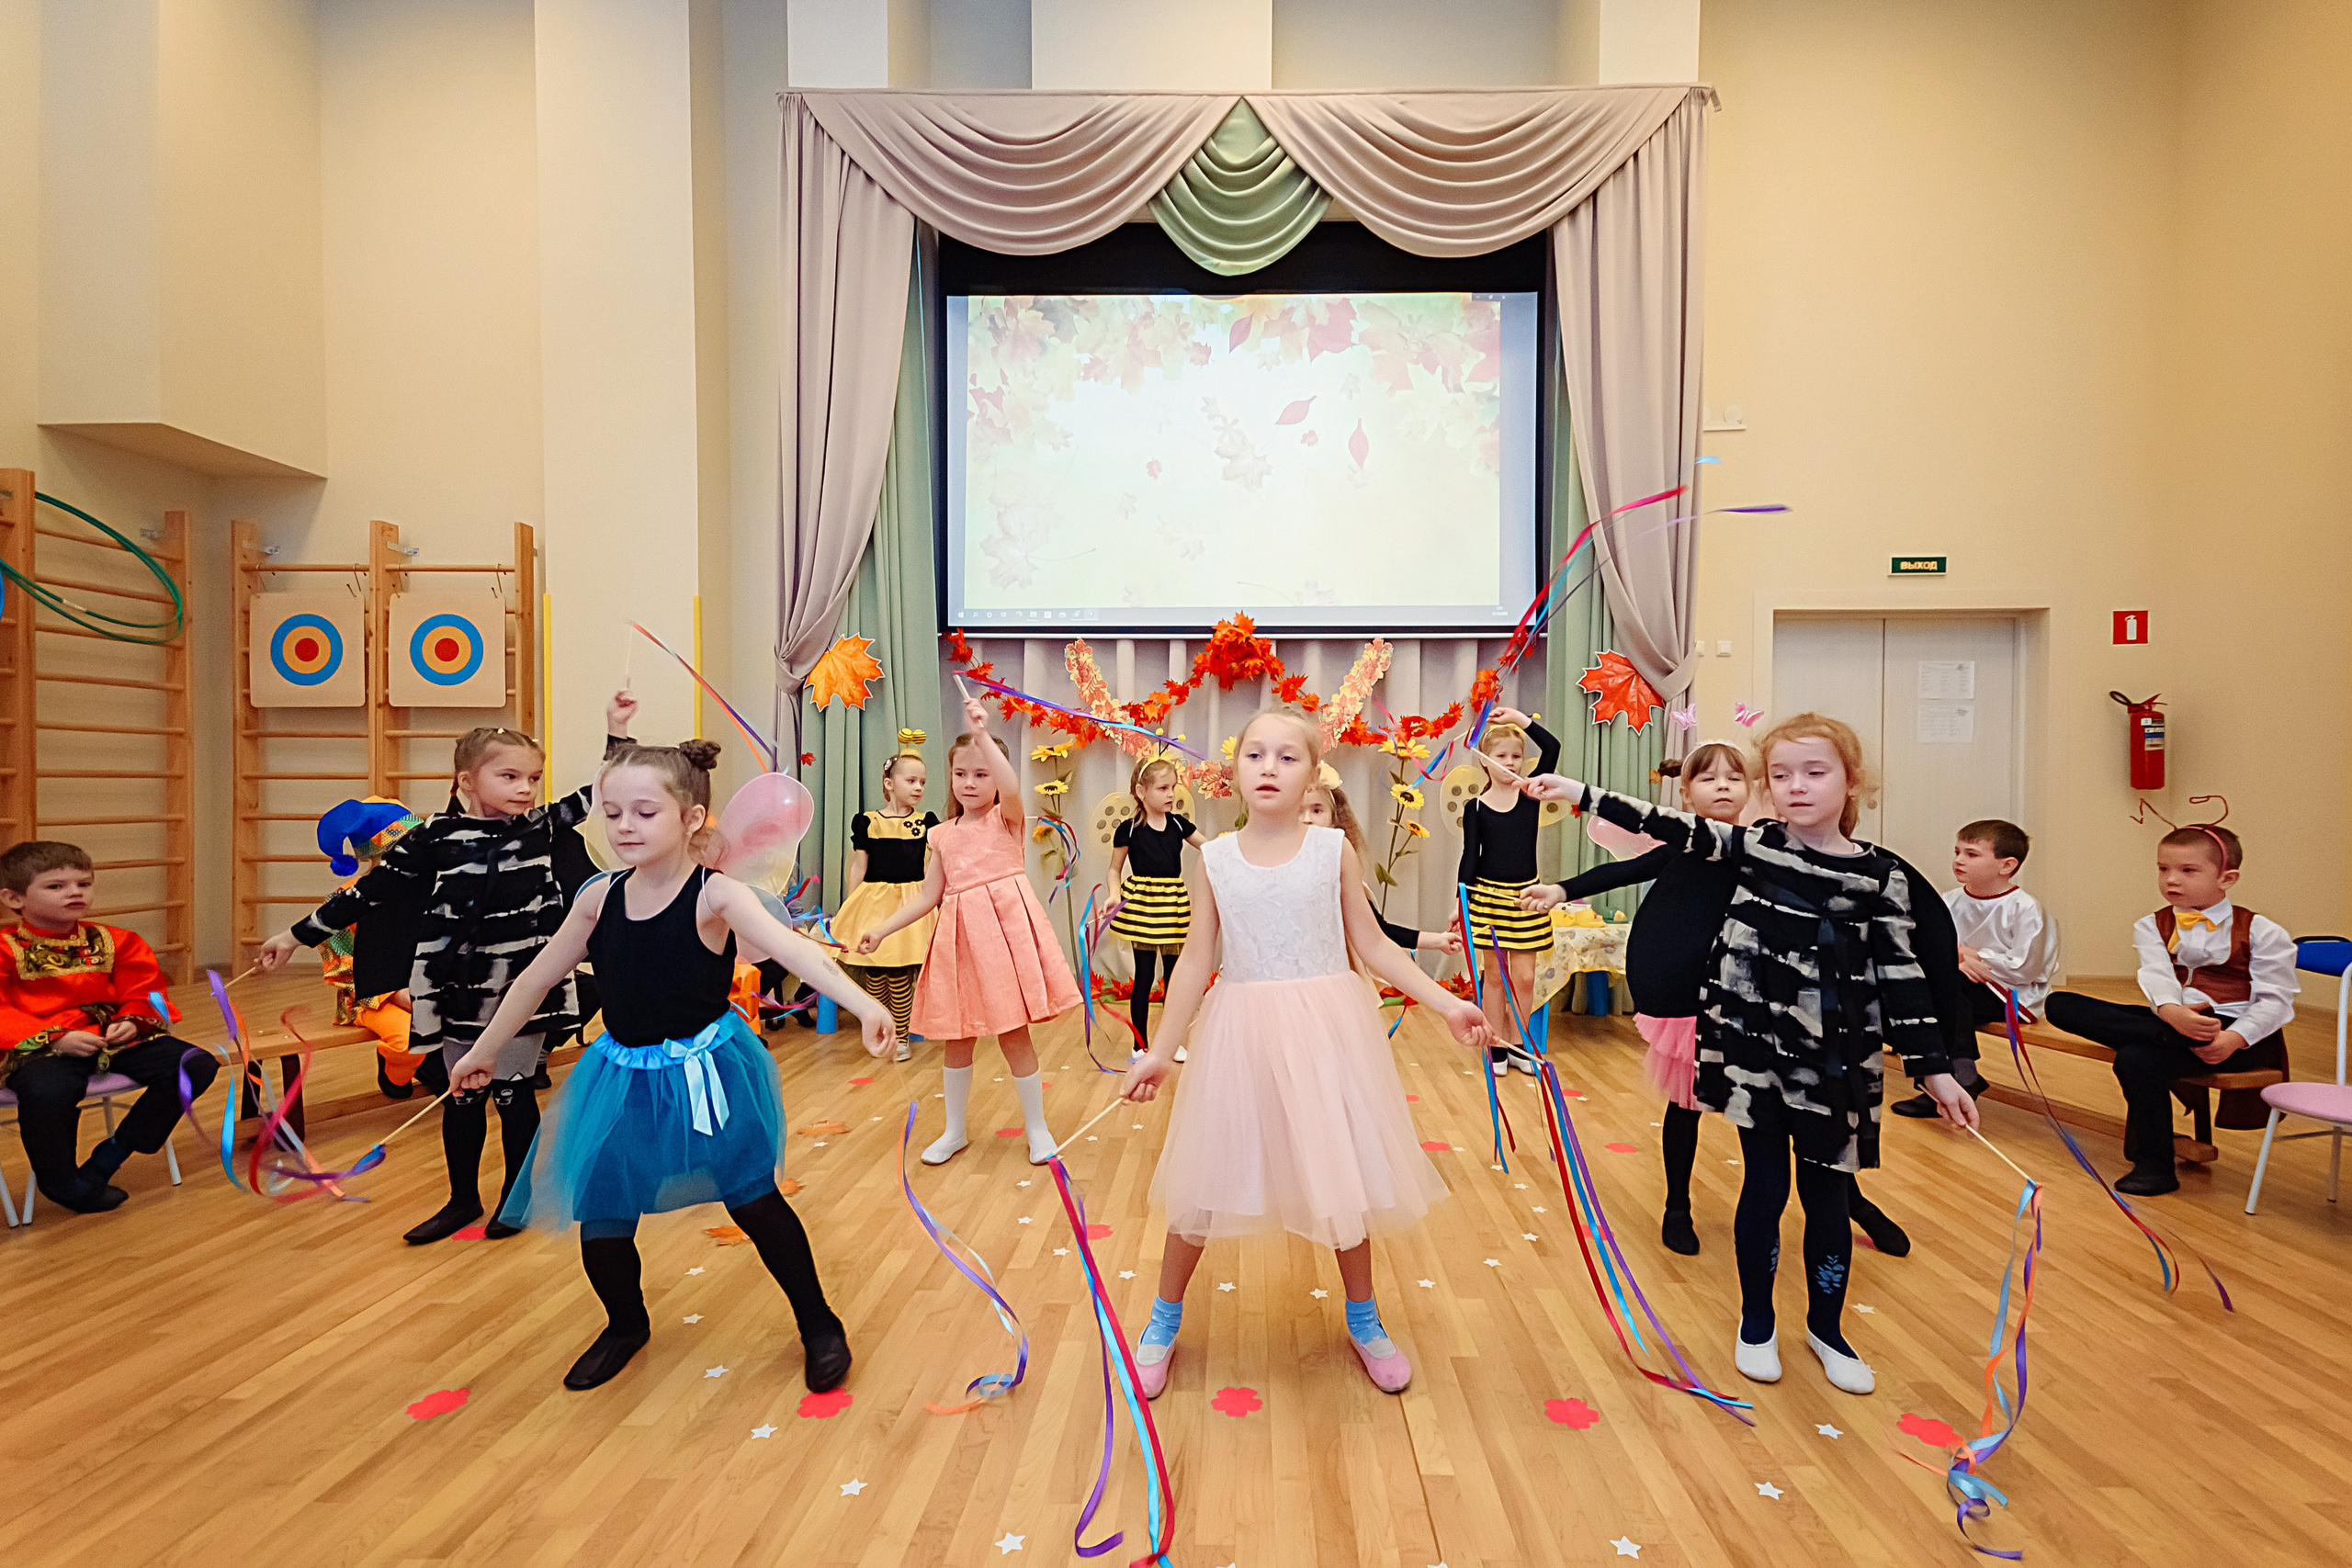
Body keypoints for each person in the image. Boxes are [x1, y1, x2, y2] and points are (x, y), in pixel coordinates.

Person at [1522, 713, 1977, 1397]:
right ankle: (1757, 1320)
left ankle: (1827, 1327)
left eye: (1815, 772)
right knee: (1764, 1188)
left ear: (1853, 782)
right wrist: (1581, 791)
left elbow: (1904, 976)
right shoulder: (1755, 846)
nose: (1795, 787)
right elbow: (1671, 828)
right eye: (1782, 775)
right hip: (1753, 1055)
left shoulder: (1881, 877)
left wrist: (1935, 1067)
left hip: (1838, 1067)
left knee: (1827, 1200)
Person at [454, 739, 893, 1392]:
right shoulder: (598, 897)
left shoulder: (715, 896)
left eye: (644, 812)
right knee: (601, 1214)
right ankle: (625, 1322)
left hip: (706, 1072)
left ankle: (818, 1321)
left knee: (755, 1201)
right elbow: (535, 978)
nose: (624, 826)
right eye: (613, 812)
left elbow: (797, 952)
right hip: (621, 1074)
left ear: (691, 819)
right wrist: (484, 1049)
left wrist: (863, 1003)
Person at [1122, 710, 1496, 1398]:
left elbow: (1374, 945)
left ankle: (1364, 1317)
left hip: (1326, 1032)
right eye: (1255, 753)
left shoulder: (1334, 853)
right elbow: (1194, 960)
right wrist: (1158, 1051)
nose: (1268, 767)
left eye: (1287, 757)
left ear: (1313, 774)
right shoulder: (1215, 860)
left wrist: (1447, 1002)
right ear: (1234, 771)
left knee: (1340, 1173)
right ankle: (1162, 1319)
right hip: (1242, 1031)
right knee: (1203, 1182)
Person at [256, 693, 638, 1244]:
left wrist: (616, 728)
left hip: (522, 987)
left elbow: (603, 792)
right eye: (510, 776)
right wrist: (294, 936)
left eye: (533, 778)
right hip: (455, 987)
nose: (525, 789)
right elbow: (367, 893)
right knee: (463, 1093)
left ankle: (517, 1196)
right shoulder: (432, 836)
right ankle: (462, 1200)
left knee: (511, 1089)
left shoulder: (538, 827)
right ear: (466, 779)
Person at [1521, 745, 1919, 1259]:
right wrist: (1560, 888)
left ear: (1754, 789)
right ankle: (1677, 1205)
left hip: (1754, 1002)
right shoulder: (1684, 846)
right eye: (1708, 779)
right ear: (1685, 793)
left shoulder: (1764, 849)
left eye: (1735, 777)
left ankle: (1854, 1204)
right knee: (1686, 1105)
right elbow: (1622, 873)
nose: (1724, 786)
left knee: (1795, 1120)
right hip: (1687, 993)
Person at [856, 698, 1080, 1166]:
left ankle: (1037, 1128)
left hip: (1004, 944)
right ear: (951, 778)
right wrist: (881, 930)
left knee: (1013, 1036)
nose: (971, 783)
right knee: (957, 1039)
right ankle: (954, 1130)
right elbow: (927, 897)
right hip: (958, 944)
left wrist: (980, 735)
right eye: (962, 774)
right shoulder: (942, 835)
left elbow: (1014, 786)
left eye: (982, 774)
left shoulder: (1008, 820)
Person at [2043, 823, 2295, 1196]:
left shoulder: (2263, 930)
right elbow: (2157, 975)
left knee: (2136, 1059)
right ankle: (2166, 1035)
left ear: (2227, 878)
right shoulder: (2152, 924)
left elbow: (2276, 1000)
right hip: (2171, 1022)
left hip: (2233, 1034)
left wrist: (2232, 1038)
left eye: (2187, 871)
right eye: (2163, 869)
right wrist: (2170, 1013)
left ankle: (2155, 1167)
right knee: (2059, 1003)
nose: (2171, 880)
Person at [0, 841, 218, 1213]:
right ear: (14, 899)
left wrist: (131, 1021)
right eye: (56, 886)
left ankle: (112, 1154)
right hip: (41, 1047)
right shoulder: (5, 947)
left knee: (195, 1063)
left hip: (110, 1040)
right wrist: (57, 1038)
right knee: (49, 1090)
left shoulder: (118, 941)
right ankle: (63, 1182)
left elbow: (146, 992)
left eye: (83, 884)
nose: (74, 892)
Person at [1890, 818, 2057, 1118]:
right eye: (1957, 852)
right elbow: (1932, 947)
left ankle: (1959, 1074)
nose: (1958, 860)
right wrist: (1958, 961)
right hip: (1962, 981)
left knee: (1949, 994)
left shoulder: (2026, 908)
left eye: (1971, 854)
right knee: (1934, 992)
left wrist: (1969, 955)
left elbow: (2025, 967)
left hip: (2011, 994)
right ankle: (1950, 1078)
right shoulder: (1950, 900)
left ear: (2006, 865)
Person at [1455, 706, 1560, 1076]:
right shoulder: (1476, 807)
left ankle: (1519, 1044)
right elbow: (1471, 855)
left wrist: (1518, 719)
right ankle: (1495, 1044)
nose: (1511, 763)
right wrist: (1461, 900)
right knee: (1495, 977)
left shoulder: (1531, 796)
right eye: (1502, 756)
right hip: (1487, 898)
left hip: (1526, 898)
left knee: (1525, 977)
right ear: (1485, 762)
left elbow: (1552, 747)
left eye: (1516, 757)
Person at [311, 797, 431, 1100]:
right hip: (367, 1000)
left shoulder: (424, 893)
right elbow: (342, 969)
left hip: (418, 991)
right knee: (408, 1037)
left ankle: (429, 1067)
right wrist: (393, 995)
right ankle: (396, 1072)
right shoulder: (344, 902)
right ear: (379, 855)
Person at [832, 734, 938, 1062]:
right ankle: (882, 1030)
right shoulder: (868, 822)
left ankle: (901, 1036)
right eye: (911, 780)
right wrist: (852, 902)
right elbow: (859, 863)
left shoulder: (926, 822)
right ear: (889, 783)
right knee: (875, 971)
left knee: (901, 972)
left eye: (922, 782)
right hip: (874, 900)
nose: (919, 787)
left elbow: (933, 865)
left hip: (910, 901)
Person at [1306, 771, 1463, 960]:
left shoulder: (1341, 875)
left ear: (1335, 819)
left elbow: (1378, 930)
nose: (1307, 819)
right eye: (1297, 810)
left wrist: (1436, 941)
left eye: (1317, 810)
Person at [1108, 755, 1204, 1057]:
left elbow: (1210, 846)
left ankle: (1172, 1042)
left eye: (1173, 788)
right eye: (1163, 788)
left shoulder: (1178, 823)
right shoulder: (1129, 829)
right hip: (1144, 906)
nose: (1171, 794)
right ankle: (1140, 1045)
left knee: (1175, 978)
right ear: (1141, 790)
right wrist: (1113, 894)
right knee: (1145, 975)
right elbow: (1114, 869)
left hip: (1172, 904)